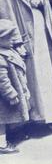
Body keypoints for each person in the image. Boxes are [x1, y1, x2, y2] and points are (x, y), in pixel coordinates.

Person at [0, 19, 30, 154]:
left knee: (9, 117)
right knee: (2, 121)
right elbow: (2, 80)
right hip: (3, 98)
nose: (13, 39)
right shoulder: (1, 57)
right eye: (9, 37)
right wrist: (11, 94)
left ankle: (9, 137)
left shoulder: (8, 51)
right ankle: (2, 144)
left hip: (10, 93)